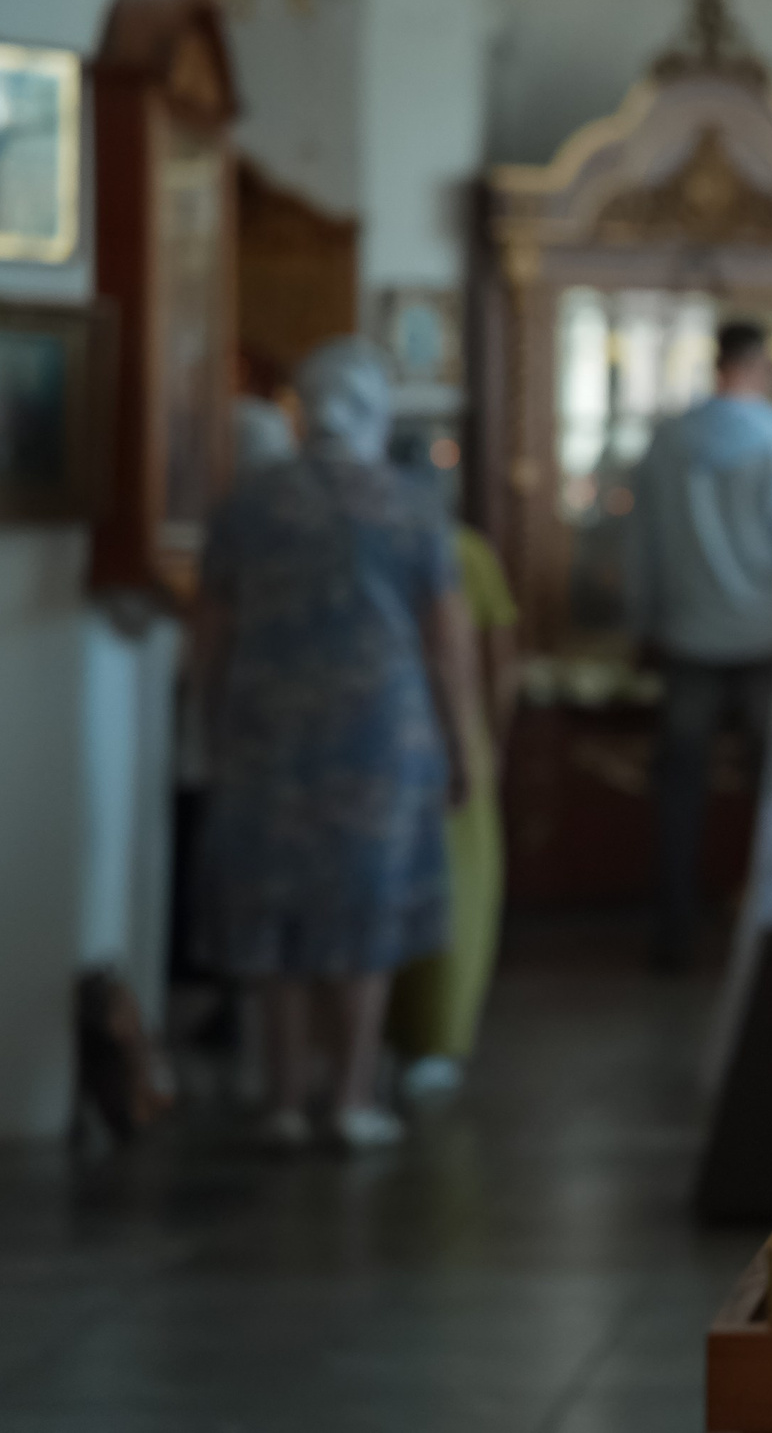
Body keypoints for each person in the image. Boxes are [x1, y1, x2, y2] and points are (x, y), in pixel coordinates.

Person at [192, 339, 473, 1151]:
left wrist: (209, 727)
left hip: (266, 733)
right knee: (366, 912)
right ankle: (350, 1098)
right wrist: (459, 743)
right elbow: (446, 641)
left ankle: (283, 1099)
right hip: (381, 735)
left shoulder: (248, 504)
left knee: (275, 912)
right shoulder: (410, 503)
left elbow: (211, 634)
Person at [626, 319, 772, 970]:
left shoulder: (668, 442)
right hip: (768, 638)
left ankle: (672, 934)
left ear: (717, 364)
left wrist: (642, 624)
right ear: (763, 367)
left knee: (680, 790)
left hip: (687, 637)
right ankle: (768, 937)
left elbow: (644, 547)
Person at [388, 521, 518, 1101]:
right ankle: (434, 1041)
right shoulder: (461, 549)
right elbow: (496, 658)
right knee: (457, 890)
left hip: (376, 737)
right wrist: (487, 739)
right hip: (449, 736)